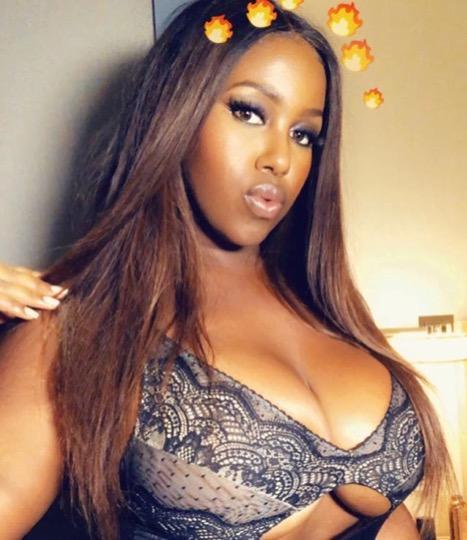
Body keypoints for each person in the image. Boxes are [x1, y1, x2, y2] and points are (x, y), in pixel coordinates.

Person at [0, 0, 455, 539]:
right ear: (177, 112)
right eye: (249, 112)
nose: (280, 159)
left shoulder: (327, 311)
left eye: (304, 134)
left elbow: (383, 516)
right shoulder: (72, 332)